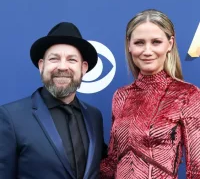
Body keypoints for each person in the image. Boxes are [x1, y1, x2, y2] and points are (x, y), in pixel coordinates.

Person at [100, 9, 200, 178]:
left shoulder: (187, 94)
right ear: (129, 45)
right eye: (139, 42)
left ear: (170, 44)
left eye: (156, 42)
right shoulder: (121, 96)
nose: (147, 51)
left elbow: (196, 166)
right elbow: (112, 161)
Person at [0, 22, 107, 179]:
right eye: (54, 59)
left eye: (71, 60)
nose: (62, 67)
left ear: (83, 68)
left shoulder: (94, 116)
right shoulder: (10, 117)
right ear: (41, 65)